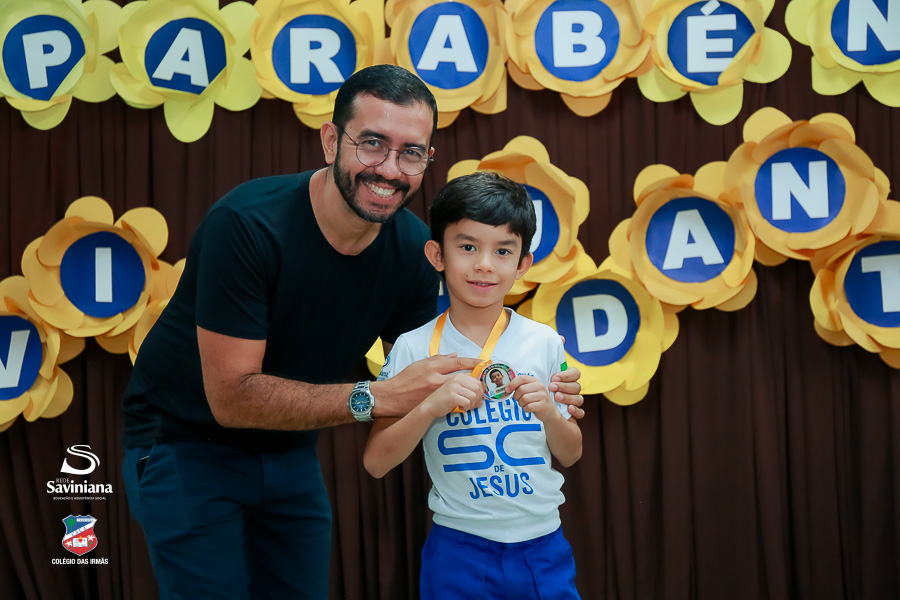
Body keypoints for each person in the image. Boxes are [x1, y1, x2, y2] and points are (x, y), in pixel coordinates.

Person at [120, 65, 584, 600]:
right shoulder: (246, 225)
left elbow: (422, 377)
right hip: (186, 441)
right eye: (372, 144)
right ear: (330, 140)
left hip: (290, 447)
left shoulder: (412, 253)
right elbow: (231, 397)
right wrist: (380, 396)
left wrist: (548, 397)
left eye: (411, 153)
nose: (389, 168)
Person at [365, 172, 583, 599]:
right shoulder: (412, 347)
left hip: (543, 546)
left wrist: (548, 414)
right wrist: (429, 407)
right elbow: (375, 462)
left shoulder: (544, 341)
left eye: (503, 250)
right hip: (457, 550)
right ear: (437, 254)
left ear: (523, 264)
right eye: (467, 247)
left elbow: (571, 453)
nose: (484, 264)